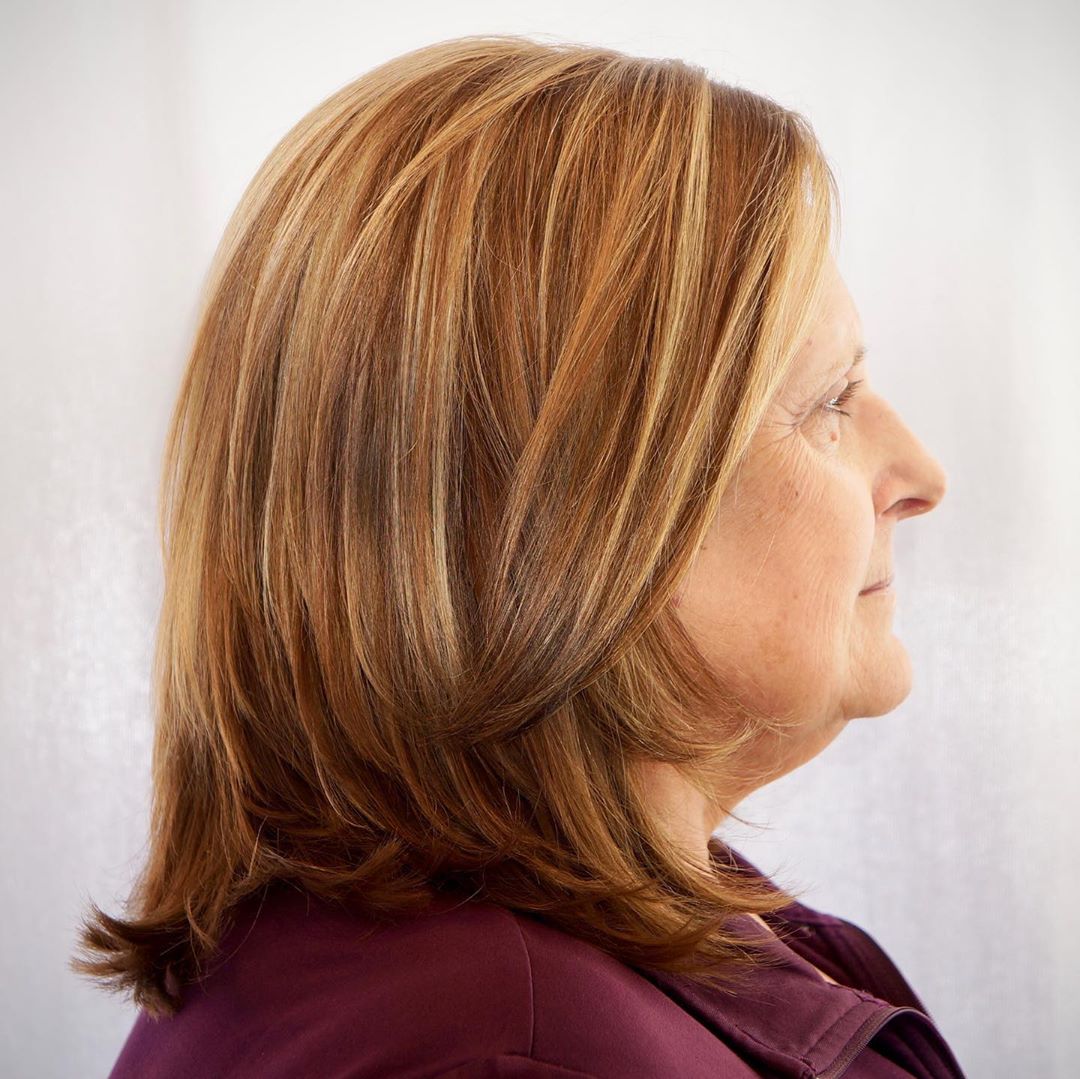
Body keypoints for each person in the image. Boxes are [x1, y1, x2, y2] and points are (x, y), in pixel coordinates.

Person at [72, 33, 966, 1077]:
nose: (922, 474)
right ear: (574, 516)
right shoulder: (497, 1047)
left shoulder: (548, 965)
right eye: (829, 402)